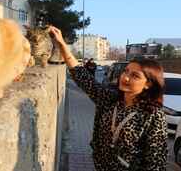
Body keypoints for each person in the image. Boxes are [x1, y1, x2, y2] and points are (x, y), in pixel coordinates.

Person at [49, 26, 168, 171]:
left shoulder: (153, 115)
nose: (125, 77)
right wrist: (62, 45)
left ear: (148, 84)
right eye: (126, 71)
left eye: (135, 76)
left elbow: (156, 162)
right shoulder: (110, 99)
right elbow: (83, 77)